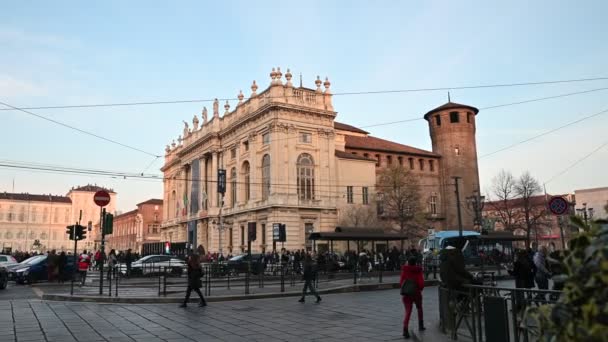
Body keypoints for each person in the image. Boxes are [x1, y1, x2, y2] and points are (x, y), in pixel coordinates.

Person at [400, 257, 425, 339]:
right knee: (419, 308)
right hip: (416, 293)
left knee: (408, 312)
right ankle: (421, 325)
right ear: (415, 263)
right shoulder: (418, 271)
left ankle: (405, 329)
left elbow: (401, 282)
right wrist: (418, 289)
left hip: (406, 294)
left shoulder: (405, 270)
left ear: (408, 262)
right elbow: (421, 284)